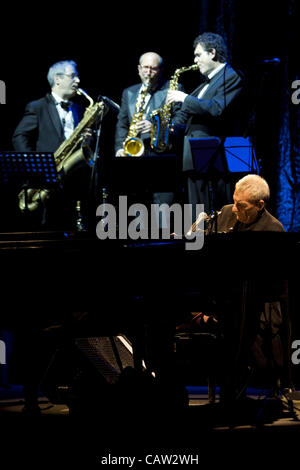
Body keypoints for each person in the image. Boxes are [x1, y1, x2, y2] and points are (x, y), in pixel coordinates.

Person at [178, 174, 292, 409]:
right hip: (225, 298)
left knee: (237, 319)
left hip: (257, 306)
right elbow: (195, 242)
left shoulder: (274, 231)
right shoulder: (227, 212)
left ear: (260, 205)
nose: (236, 209)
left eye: (243, 206)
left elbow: (272, 285)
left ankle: (234, 393)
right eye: (235, 202)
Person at [167, 32, 245, 219]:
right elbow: (189, 114)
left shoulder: (231, 76)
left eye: (198, 55)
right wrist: (169, 126)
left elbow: (217, 108)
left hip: (216, 155)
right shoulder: (203, 86)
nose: (195, 60)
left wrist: (185, 98)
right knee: (198, 212)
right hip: (195, 156)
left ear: (212, 53)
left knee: (219, 210)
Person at [12, 60, 92, 230]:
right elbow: (19, 136)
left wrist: (85, 141)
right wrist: (34, 166)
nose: (78, 80)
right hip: (46, 180)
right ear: (57, 79)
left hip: (72, 179)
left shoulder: (78, 109)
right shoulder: (37, 107)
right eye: (73, 76)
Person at [114, 52, 184, 232]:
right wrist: (120, 148)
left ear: (160, 70)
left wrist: (155, 127)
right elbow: (122, 123)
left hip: (162, 158)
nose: (149, 72)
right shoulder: (129, 92)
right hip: (136, 158)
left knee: (163, 214)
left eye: (153, 68)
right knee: (137, 211)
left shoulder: (172, 89)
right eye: (145, 67)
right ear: (139, 69)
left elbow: (181, 122)